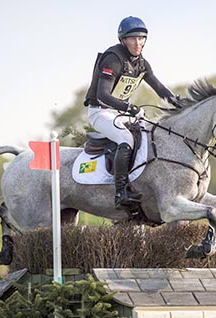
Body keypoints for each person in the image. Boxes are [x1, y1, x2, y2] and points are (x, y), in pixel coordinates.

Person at [84, 16, 181, 209]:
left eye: (141, 38)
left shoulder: (141, 63)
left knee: (149, 134)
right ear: (123, 40)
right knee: (126, 140)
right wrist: (130, 108)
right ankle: (121, 192)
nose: (138, 43)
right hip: (100, 111)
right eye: (133, 39)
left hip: (119, 113)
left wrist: (180, 103)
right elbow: (103, 95)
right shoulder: (113, 59)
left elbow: (160, 89)